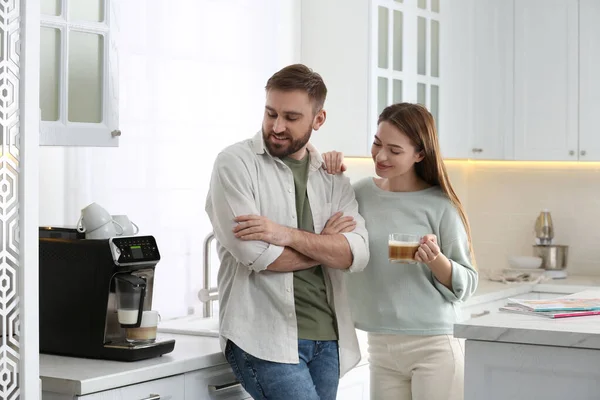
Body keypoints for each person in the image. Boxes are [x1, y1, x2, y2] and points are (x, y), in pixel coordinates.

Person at [205, 64, 370, 400]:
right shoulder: (235, 164)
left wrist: (286, 234)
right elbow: (260, 256)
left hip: (328, 338)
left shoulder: (332, 175)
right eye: (270, 113)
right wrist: (325, 244)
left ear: (318, 120)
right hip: (263, 336)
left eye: (291, 117)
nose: (276, 127)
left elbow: (356, 254)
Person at [322, 102, 478, 400]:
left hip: (433, 345)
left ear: (420, 154)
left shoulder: (440, 206)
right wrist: (329, 174)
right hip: (380, 346)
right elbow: (326, 233)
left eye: (394, 150)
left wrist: (436, 260)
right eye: (377, 144)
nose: (381, 156)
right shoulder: (361, 194)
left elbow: (467, 284)